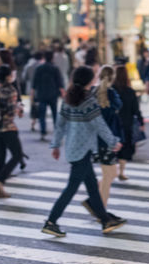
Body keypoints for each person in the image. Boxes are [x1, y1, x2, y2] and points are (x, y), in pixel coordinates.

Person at [42, 66, 126, 237]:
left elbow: (59, 125)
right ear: (89, 81)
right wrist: (113, 142)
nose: (96, 78)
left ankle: (105, 220)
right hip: (83, 151)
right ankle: (51, 221)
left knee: (92, 188)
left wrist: (56, 145)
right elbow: (99, 125)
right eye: (94, 76)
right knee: (71, 188)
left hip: (74, 149)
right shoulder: (88, 101)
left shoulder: (68, 99)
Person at [88, 65, 123, 211]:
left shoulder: (91, 92)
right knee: (109, 175)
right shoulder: (112, 94)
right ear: (112, 78)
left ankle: (98, 205)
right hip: (107, 139)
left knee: (108, 174)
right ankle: (100, 208)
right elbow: (119, 106)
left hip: (94, 140)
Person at [0, 65, 24, 198]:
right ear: (8, 76)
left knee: (0, 158)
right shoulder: (11, 90)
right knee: (17, 155)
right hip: (8, 127)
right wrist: (19, 108)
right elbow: (11, 110)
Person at [113, 65, 144, 181]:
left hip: (113, 124)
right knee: (124, 148)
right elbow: (136, 109)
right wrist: (141, 121)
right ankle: (121, 172)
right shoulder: (130, 92)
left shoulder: (111, 90)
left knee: (114, 148)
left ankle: (113, 170)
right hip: (126, 123)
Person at [31, 50, 65, 141]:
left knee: (42, 115)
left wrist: (32, 96)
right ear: (52, 58)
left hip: (41, 95)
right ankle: (57, 133)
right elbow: (60, 83)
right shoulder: (55, 68)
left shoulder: (39, 68)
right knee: (55, 114)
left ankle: (43, 132)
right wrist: (63, 94)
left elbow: (34, 84)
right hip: (53, 95)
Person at [22, 51, 44, 132]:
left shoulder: (29, 66)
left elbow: (24, 77)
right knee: (42, 106)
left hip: (31, 89)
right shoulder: (42, 66)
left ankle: (33, 123)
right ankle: (42, 124)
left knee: (33, 106)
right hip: (41, 89)